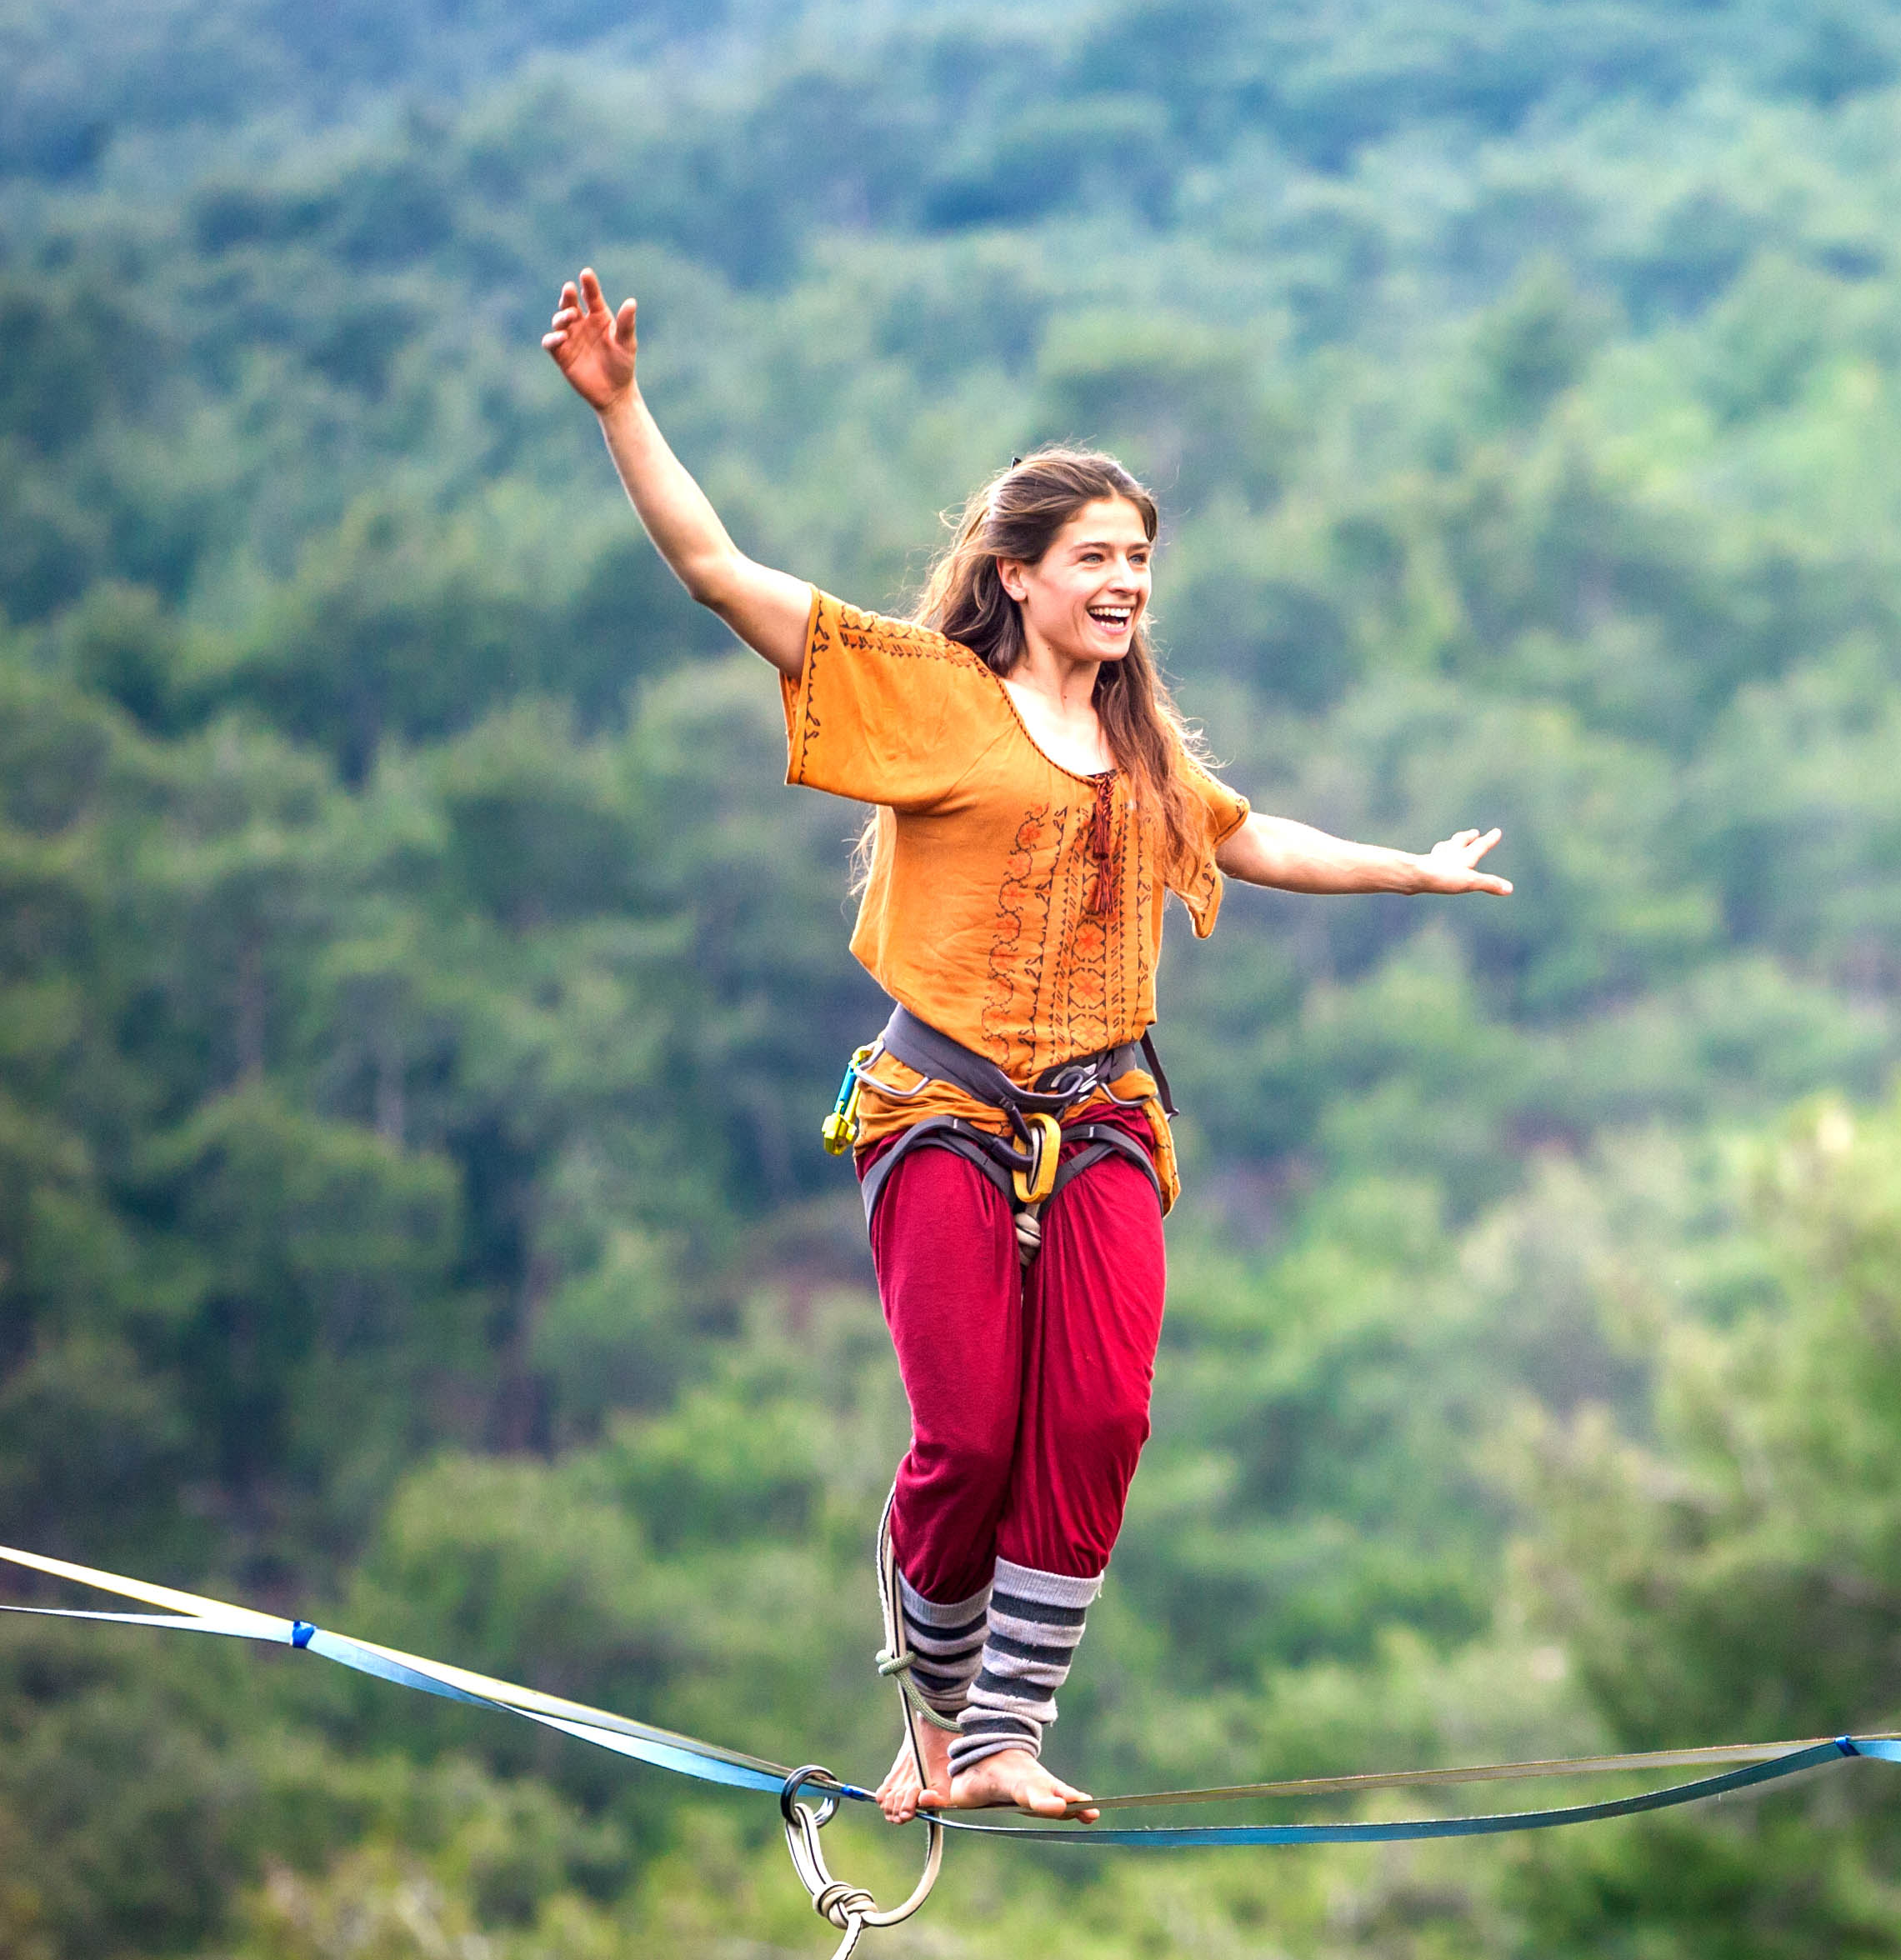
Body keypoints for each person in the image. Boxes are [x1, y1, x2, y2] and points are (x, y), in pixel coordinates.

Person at [541, 268, 1510, 1825]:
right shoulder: (934, 699)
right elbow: (722, 573)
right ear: (1021, 572)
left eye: (1141, 560)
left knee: (1103, 1418)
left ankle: (1006, 1729)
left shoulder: (1140, 736)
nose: (1126, 584)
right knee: (970, 1431)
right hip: (940, 1103)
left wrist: (1411, 867)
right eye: (1097, 559)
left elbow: (1246, 839)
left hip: (1107, 1109)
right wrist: (623, 410)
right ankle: (931, 1722)